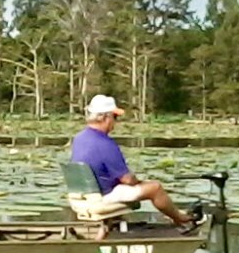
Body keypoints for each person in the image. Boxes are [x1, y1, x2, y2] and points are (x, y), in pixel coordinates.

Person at [71, 94, 196, 229]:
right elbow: (127, 180)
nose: (115, 122)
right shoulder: (105, 143)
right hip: (103, 195)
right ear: (106, 117)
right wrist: (139, 181)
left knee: (136, 187)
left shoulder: (79, 138)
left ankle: (109, 230)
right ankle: (181, 219)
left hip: (84, 194)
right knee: (155, 188)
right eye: (115, 117)